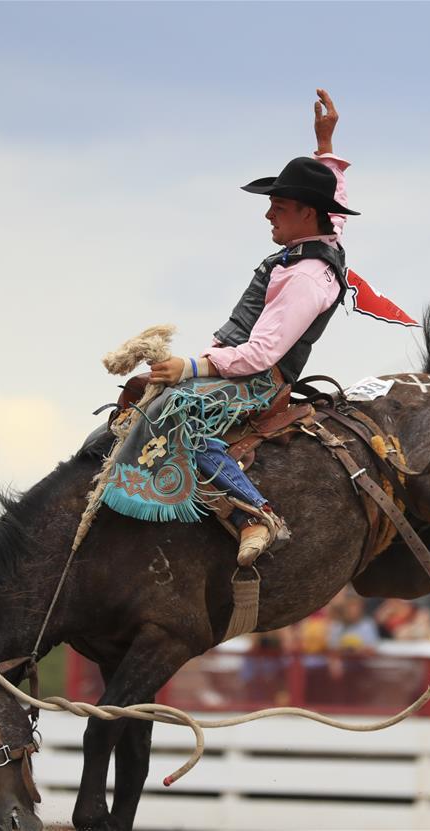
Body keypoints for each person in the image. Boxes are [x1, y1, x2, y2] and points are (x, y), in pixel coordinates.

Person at [103, 89, 359, 567]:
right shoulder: (323, 234)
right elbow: (336, 203)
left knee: (178, 410)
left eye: (278, 206)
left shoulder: (305, 278)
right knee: (145, 392)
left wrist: (191, 366)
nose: (268, 214)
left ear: (306, 213)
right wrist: (326, 145)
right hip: (241, 364)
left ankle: (254, 513)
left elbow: (262, 354)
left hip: (259, 381)